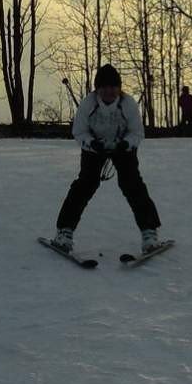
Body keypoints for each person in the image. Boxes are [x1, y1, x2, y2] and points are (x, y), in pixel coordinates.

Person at [50, 64, 164, 255]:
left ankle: (149, 232)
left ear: (119, 88)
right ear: (98, 89)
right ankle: (64, 231)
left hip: (122, 147)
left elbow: (137, 132)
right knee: (85, 184)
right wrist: (91, 144)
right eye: (104, 87)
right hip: (95, 147)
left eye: (113, 87)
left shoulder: (128, 104)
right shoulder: (89, 104)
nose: (109, 91)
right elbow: (79, 131)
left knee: (132, 184)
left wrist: (126, 144)